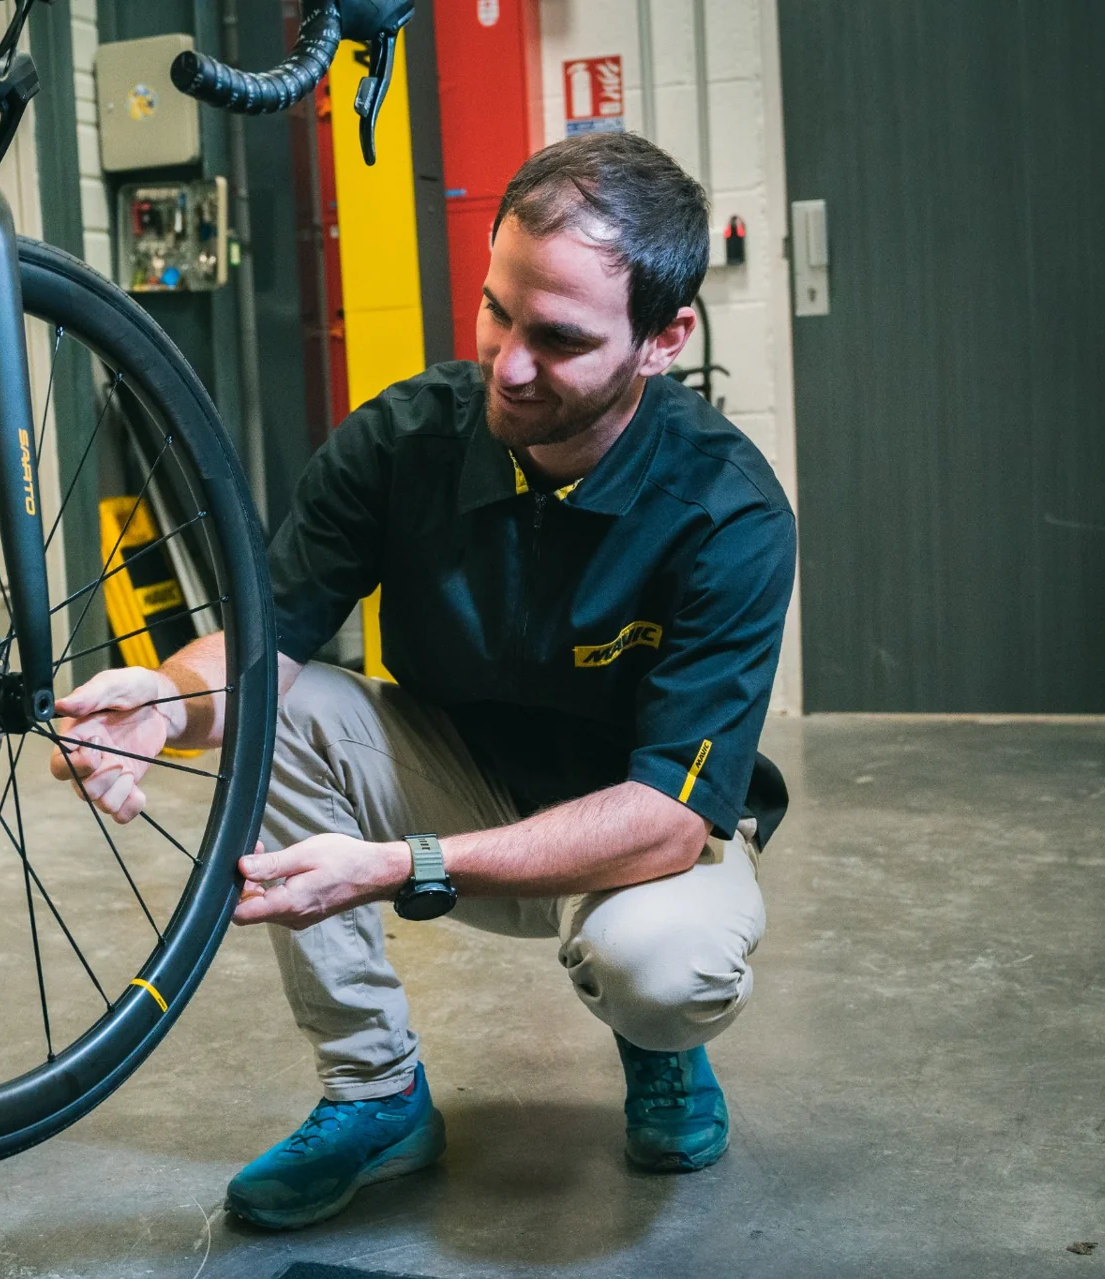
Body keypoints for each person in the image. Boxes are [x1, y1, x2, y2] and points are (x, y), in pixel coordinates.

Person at [49, 132, 796, 1231]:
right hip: (460, 778)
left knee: (659, 964)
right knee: (281, 713)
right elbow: (268, 652)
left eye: (560, 338)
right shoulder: (402, 439)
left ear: (663, 339)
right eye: (498, 311)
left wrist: (403, 865)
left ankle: (660, 1051)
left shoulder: (726, 509)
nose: (509, 365)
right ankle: (377, 1094)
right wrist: (165, 703)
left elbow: (670, 819)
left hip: (638, 839)